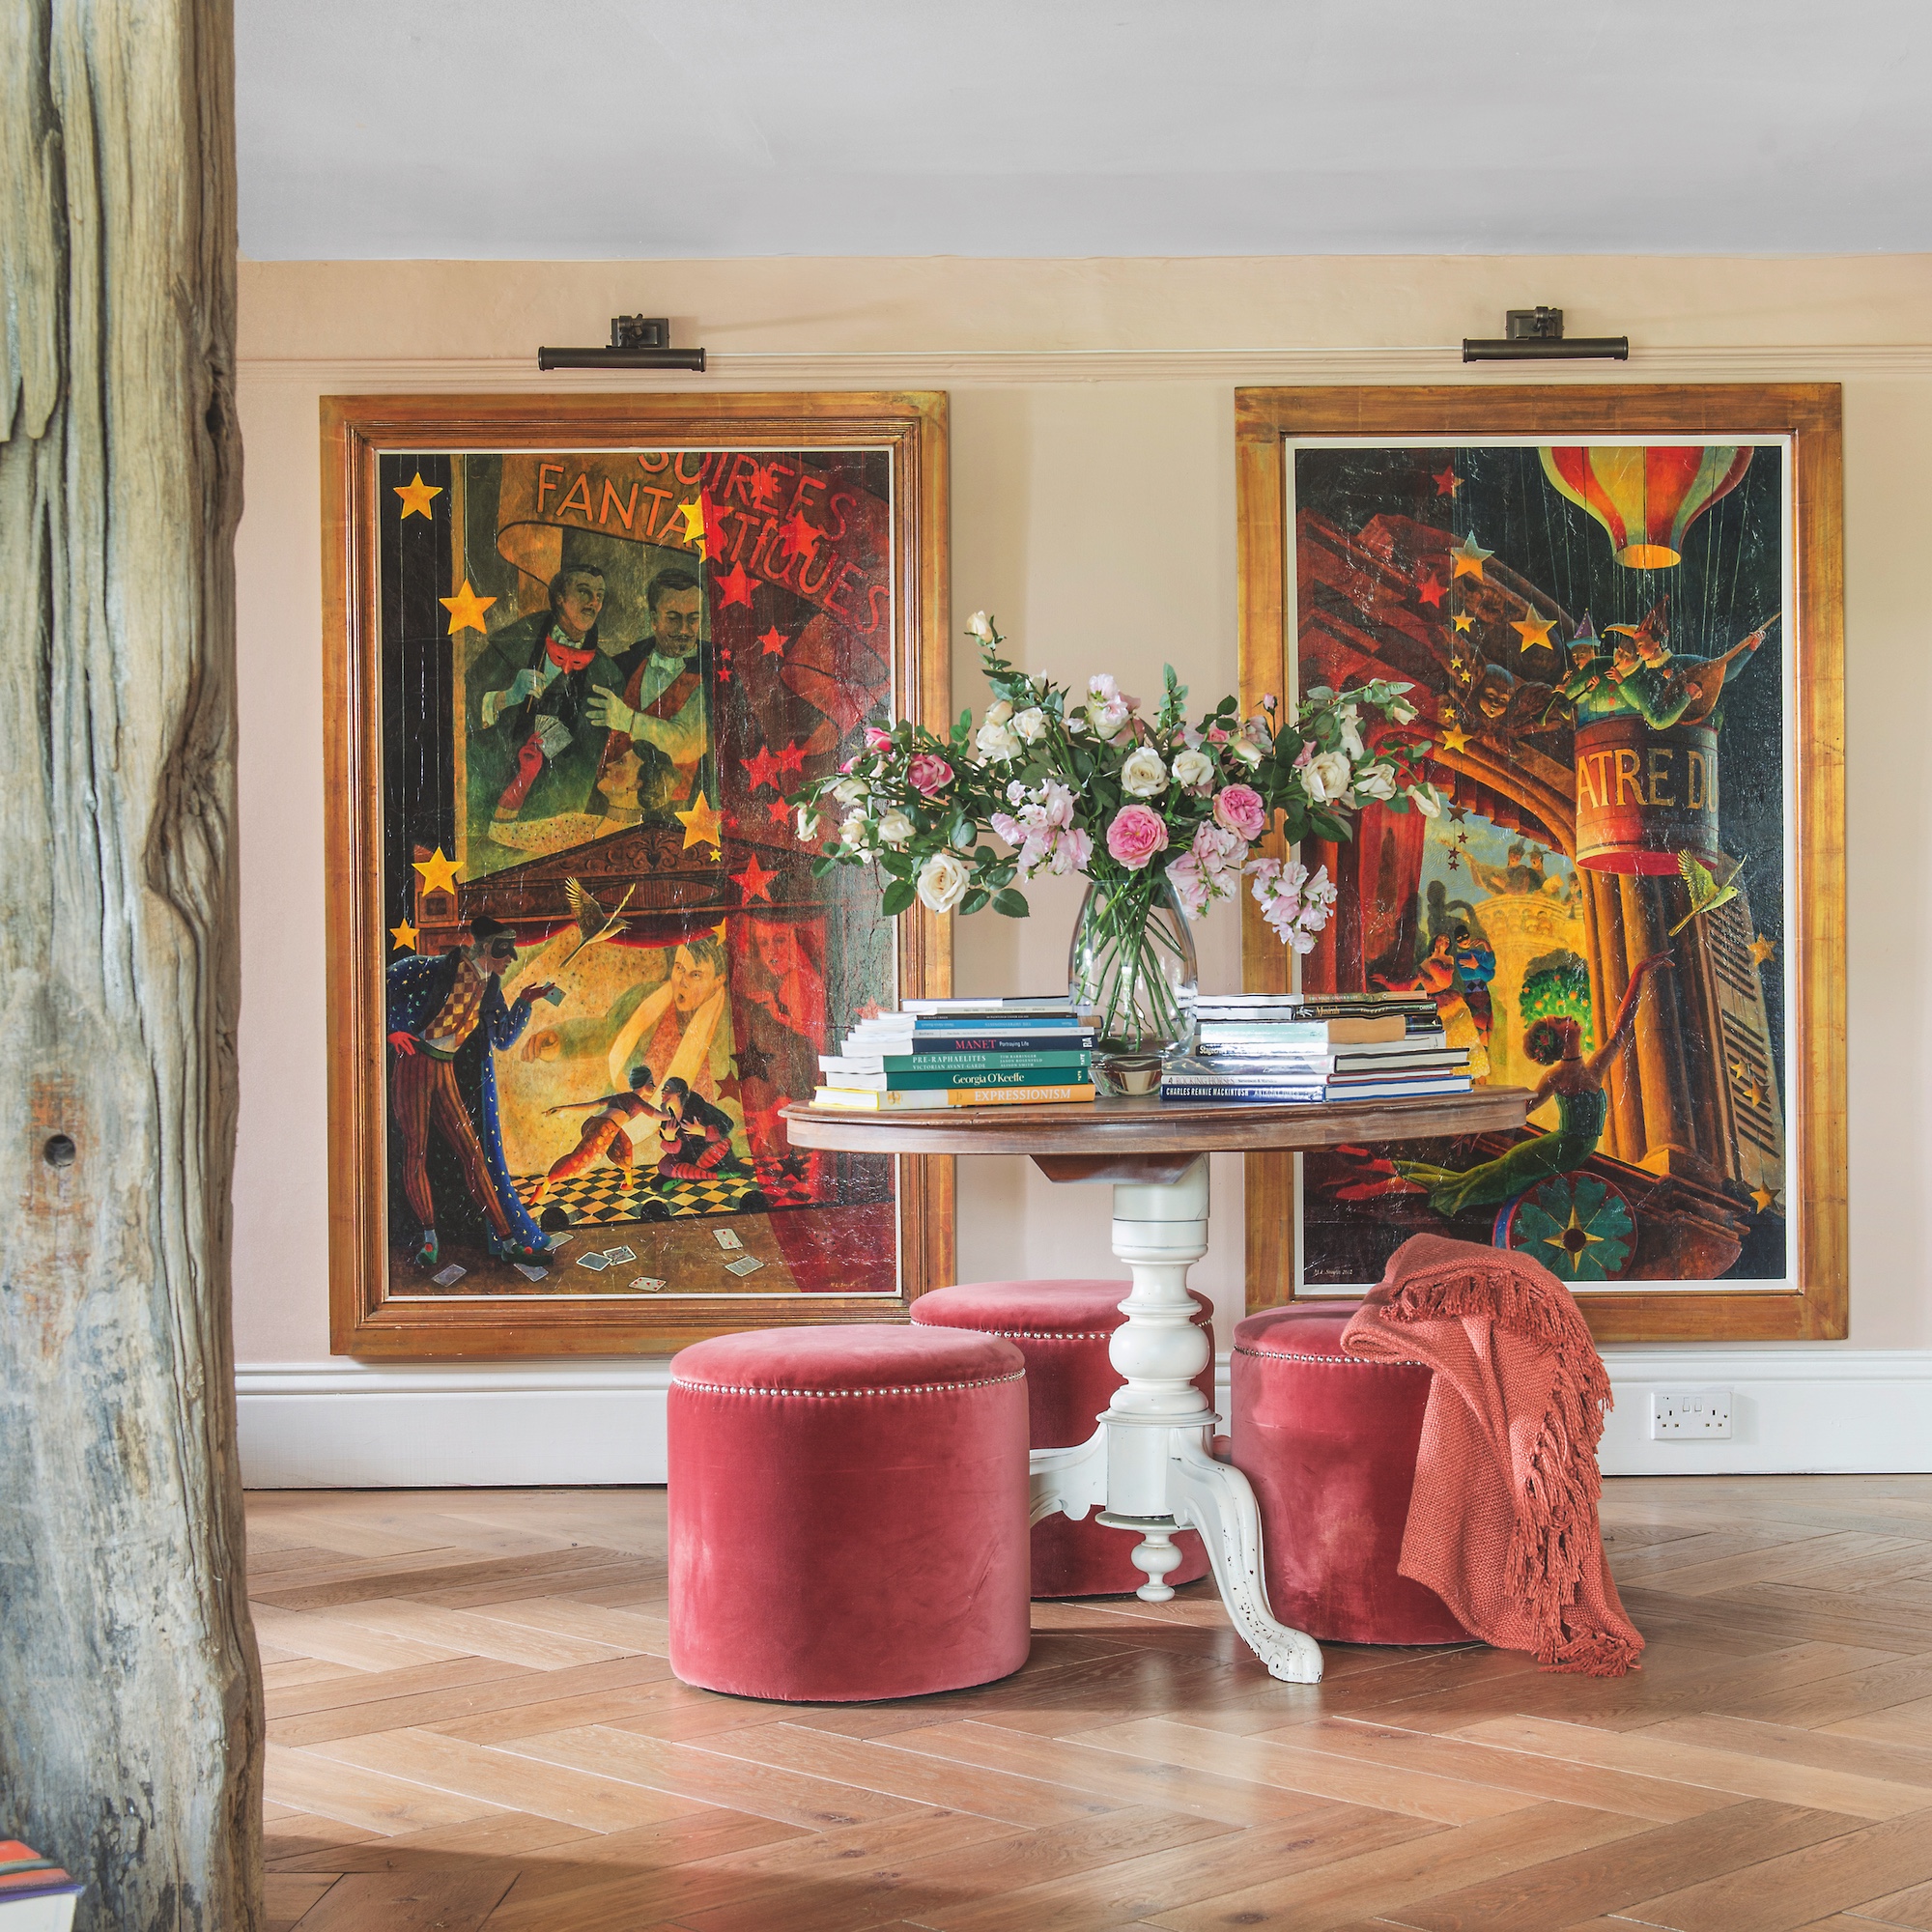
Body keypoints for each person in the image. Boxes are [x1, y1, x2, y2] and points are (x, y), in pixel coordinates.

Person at [1392, 953, 1672, 1218]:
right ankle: (1412, 1187)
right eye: (1561, 1021)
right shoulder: (1558, 1076)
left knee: (1477, 1180)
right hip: (1552, 1152)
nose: (1568, 1019)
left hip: (1565, 1151)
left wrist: (1640, 972)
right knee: (1476, 1182)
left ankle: (1415, 1185)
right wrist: (1477, 1127)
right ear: (1558, 1040)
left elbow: (1621, 1028)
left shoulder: (1592, 1069)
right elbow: (1525, 1108)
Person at [385, 915, 557, 1268]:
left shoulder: (491, 986)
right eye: (505, 950)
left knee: (473, 1154)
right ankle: (429, 1239)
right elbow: (384, 980)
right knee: (416, 1152)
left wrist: (525, 1003)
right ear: (489, 947)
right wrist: (393, 1028)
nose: (511, 959)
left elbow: (504, 1039)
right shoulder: (438, 967)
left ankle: (508, 1242)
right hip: (415, 1065)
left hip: (444, 1069)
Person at [466, 565, 628, 845]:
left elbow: (588, 768)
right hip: (485, 794)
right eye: (584, 592)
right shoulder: (513, 642)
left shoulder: (608, 676)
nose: (593, 603)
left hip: (548, 818)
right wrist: (504, 697)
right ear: (559, 598)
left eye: (599, 596)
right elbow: (458, 704)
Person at [586, 568, 710, 821]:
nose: (685, 630)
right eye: (673, 618)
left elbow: (686, 743)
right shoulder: (623, 664)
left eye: (693, 619)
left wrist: (628, 721)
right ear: (654, 619)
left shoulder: (715, 674)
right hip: (606, 802)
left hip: (672, 814)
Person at [530, 1065, 662, 1208]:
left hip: (596, 1124)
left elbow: (590, 1105)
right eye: (651, 1082)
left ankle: (628, 1183)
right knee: (580, 1163)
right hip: (604, 1129)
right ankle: (545, 1185)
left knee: (625, 1147)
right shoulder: (639, 1102)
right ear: (643, 1083)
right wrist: (675, 1111)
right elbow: (660, 1115)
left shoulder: (619, 1096)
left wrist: (562, 1107)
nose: (654, 1086)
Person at [652, 1077, 740, 1182]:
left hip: (706, 1153)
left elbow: (728, 1124)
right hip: (686, 1157)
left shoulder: (699, 1107)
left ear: (679, 1092)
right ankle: (707, 1175)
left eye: (666, 1089)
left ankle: (689, 1173)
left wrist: (703, 1131)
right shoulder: (667, 1116)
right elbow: (674, 1151)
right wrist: (670, 1139)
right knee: (663, 1165)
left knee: (725, 1143)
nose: (662, 1093)